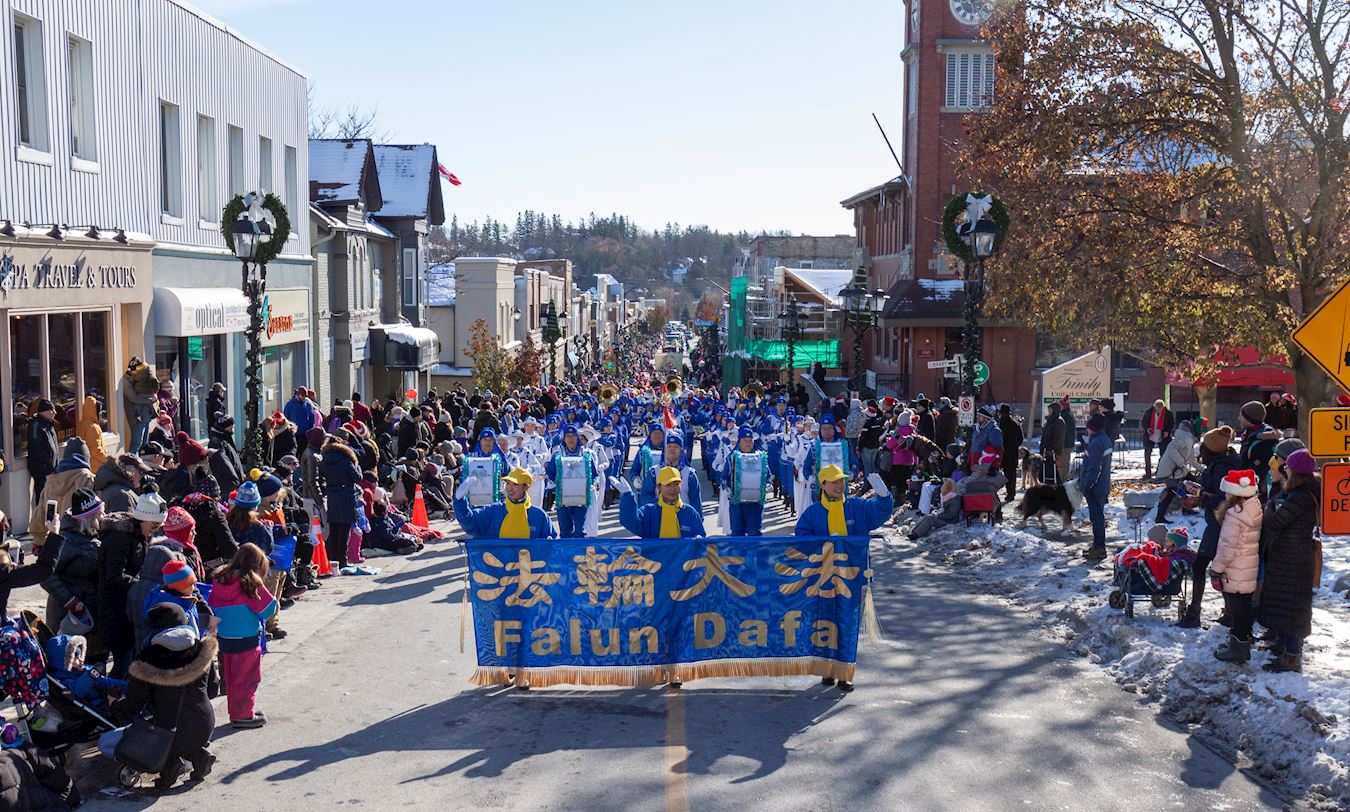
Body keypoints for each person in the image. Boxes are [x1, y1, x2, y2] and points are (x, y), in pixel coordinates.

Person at [104, 602, 218, 789]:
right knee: (186, 733)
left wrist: (114, 704)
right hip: (205, 721)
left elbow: (134, 704)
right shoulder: (202, 649)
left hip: (169, 733)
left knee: (160, 731)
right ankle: (199, 756)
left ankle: (170, 767)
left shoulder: (148, 658)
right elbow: (213, 689)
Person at [1258, 449, 1318, 672]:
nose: (1286, 471)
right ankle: (1284, 646)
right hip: (1289, 559)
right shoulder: (1299, 493)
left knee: (1293, 607)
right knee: (1285, 604)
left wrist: (1269, 508)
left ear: (1297, 473)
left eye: (1289, 468)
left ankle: (1292, 656)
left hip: (1294, 560)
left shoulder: (1301, 496)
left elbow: (1275, 522)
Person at [97, 491, 167, 678]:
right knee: (123, 664)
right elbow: (114, 576)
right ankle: (112, 702)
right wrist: (142, 586)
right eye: (154, 526)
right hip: (115, 609)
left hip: (128, 606)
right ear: (143, 519)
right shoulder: (120, 538)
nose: (156, 530)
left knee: (128, 663)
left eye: (159, 526)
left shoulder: (138, 536)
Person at [207, 544, 276, 729]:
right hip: (247, 638)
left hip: (225, 638)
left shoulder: (220, 578)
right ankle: (243, 716)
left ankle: (238, 712)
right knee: (247, 678)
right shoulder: (250, 582)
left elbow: (211, 603)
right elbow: (269, 609)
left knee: (232, 678)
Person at [1178, 425, 1239, 628]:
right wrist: (1201, 492)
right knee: (1222, 568)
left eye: (1203, 448)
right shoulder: (1223, 462)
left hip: (1220, 524)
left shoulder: (1222, 467)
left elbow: (1225, 499)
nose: (1200, 451)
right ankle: (1230, 613)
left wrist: (1201, 497)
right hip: (1219, 523)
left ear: (1211, 450)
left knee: (1200, 565)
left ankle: (1194, 614)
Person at [1210, 469, 1262, 663]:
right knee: (1245, 606)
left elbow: (1227, 548)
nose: (1225, 494)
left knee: (1237, 610)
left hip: (1235, 569)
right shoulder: (1252, 507)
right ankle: (1243, 640)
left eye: (1227, 491)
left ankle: (1238, 647)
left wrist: (1216, 568)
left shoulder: (1234, 514)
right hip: (1247, 566)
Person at [42, 488, 104, 638]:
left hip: (87, 614)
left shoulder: (94, 535)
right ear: (90, 517)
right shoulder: (66, 540)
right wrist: (70, 601)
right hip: (69, 617)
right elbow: (45, 575)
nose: (104, 516)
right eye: (100, 513)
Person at [29, 437, 95, 549]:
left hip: (56, 544)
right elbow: (93, 516)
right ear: (86, 458)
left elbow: (38, 519)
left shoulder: (51, 482)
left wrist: (40, 544)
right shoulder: (87, 479)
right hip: (80, 544)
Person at [454, 468, 555, 539]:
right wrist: (460, 501)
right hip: (498, 568)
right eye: (508, 483)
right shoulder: (494, 511)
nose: (509, 488)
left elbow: (551, 543)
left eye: (515, 484)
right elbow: (470, 523)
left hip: (527, 569)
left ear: (526, 487)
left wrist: (550, 543)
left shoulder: (539, 515)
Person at [795, 466, 894, 538]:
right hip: (825, 566)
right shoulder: (812, 513)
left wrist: (885, 498)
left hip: (855, 565)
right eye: (834, 482)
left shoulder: (857, 506)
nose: (839, 485)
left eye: (841, 480)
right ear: (822, 485)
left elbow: (880, 512)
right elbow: (803, 540)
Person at [614, 467, 705, 538]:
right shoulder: (649, 512)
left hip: (683, 562)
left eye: (676, 484)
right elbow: (629, 522)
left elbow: (701, 537)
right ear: (659, 487)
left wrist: (699, 539)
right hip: (653, 561)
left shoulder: (689, 512)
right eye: (668, 485)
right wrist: (628, 496)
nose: (673, 489)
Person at [320, 432, 363, 571]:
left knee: (334, 529)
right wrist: (357, 467)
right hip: (346, 495)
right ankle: (342, 560)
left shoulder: (324, 460)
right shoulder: (346, 460)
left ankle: (333, 560)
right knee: (344, 530)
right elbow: (357, 478)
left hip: (332, 494)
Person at [545, 425, 595, 538]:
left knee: (579, 531)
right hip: (562, 499)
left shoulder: (586, 454)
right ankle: (565, 554)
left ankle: (579, 554)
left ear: (577, 438)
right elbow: (551, 474)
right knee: (565, 531)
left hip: (581, 498)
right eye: (568, 436)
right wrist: (552, 483)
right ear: (564, 438)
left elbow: (594, 474)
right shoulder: (557, 454)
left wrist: (592, 484)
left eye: (573, 436)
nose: (571, 438)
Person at [1079, 413, 1113, 561]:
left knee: (1097, 517)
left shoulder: (1097, 443)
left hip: (1095, 487)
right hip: (1101, 485)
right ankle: (1098, 545)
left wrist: (1088, 485)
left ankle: (1099, 548)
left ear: (1091, 428)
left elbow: (1095, 468)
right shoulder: (1104, 440)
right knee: (1098, 516)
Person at [723, 427, 768, 536]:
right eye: (744, 441)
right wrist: (728, 489)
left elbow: (767, 475)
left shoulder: (761, 457)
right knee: (737, 533)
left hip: (755, 504)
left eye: (750, 441)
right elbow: (724, 478)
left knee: (754, 533)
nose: (747, 444)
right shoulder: (731, 458)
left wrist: (767, 485)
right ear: (739, 441)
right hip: (737, 505)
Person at [1152, 419, 1199, 523]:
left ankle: (1187, 508)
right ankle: (1159, 517)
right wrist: (1181, 463)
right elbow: (1172, 449)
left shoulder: (1188, 439)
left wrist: (1202, 469)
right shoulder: (1183, 437)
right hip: (1169, 470)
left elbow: (1191, 459)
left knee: (1192, 481)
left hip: (1177, 470)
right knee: (1172, 491)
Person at [1236, 401, 1279, 498]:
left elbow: (1256, 473)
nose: (1239, 419)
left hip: (1254, 493)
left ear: (1249, 418)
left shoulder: (1262, 443)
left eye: (1241, 416)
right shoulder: (1251, 435)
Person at [121, 358, 158, 454]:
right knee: (137, 443)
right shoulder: (126, 381)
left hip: (145, 416)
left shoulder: (138, 380)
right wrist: (151, 399)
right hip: (136, 417)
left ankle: (141, 463)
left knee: (144, 444)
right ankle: (132, 464)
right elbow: (133, 398)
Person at [26, 398, 59, 506]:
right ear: (43, 412)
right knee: (42, 497)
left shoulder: (50, 425)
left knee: (51, 497)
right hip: (41, 469)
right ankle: (40, 521)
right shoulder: (36, 425)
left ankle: (49, 520)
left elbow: (54, 447)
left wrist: (55, 465)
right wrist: (48, 461)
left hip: (50, 468)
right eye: (51, 410)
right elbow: (35, 447)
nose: (55, 412)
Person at [1140, 399, 1174, 479]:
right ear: (1154, 407)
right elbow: (1143, 422)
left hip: (1163, 436)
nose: (1159, 410)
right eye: (1157, 408)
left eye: (1160, 409)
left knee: (1163, 454)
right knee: (1147, 454)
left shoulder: (1168, 413)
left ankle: (1160, 470)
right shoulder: (1148, 412)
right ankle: (1148, 472)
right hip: (1150, 435)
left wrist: (1167, 431)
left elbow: (1171, 424)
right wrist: (1147, 428)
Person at [997, 404, 1023, 501]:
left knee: (999, 473)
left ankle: (997, 492)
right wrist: (1015, 445)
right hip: (1012, 453)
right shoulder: (1016, 424)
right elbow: (1020, 438)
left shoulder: (1000, 424)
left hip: (1002, 452)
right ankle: (1011, 493)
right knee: (1011, 474)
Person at [75, 395, 108, 471]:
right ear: (95, 411)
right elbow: (95, 449)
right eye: (99, 411)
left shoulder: (81, 423)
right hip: (95, 466)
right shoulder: (92, 427)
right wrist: (107, 460)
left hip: (86, 463)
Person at [1040, 402, 1067, 485]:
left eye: (1050, 410)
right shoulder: (1050, 421)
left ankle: (1058, 489)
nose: (1049, 411)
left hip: (1052, 451)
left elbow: (1058, 438)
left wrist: (1052, 450)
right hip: (1046, 450)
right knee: (1046, 472)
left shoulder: (1059, 422)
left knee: (1053, 473)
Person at [970, 406, 1003, 471]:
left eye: (980, 416)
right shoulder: (976, 429)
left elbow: (998, 450)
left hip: (986, 465)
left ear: (986, 418)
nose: (977, 417)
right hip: (974, 462)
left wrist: (994, 466)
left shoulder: (994, 431)